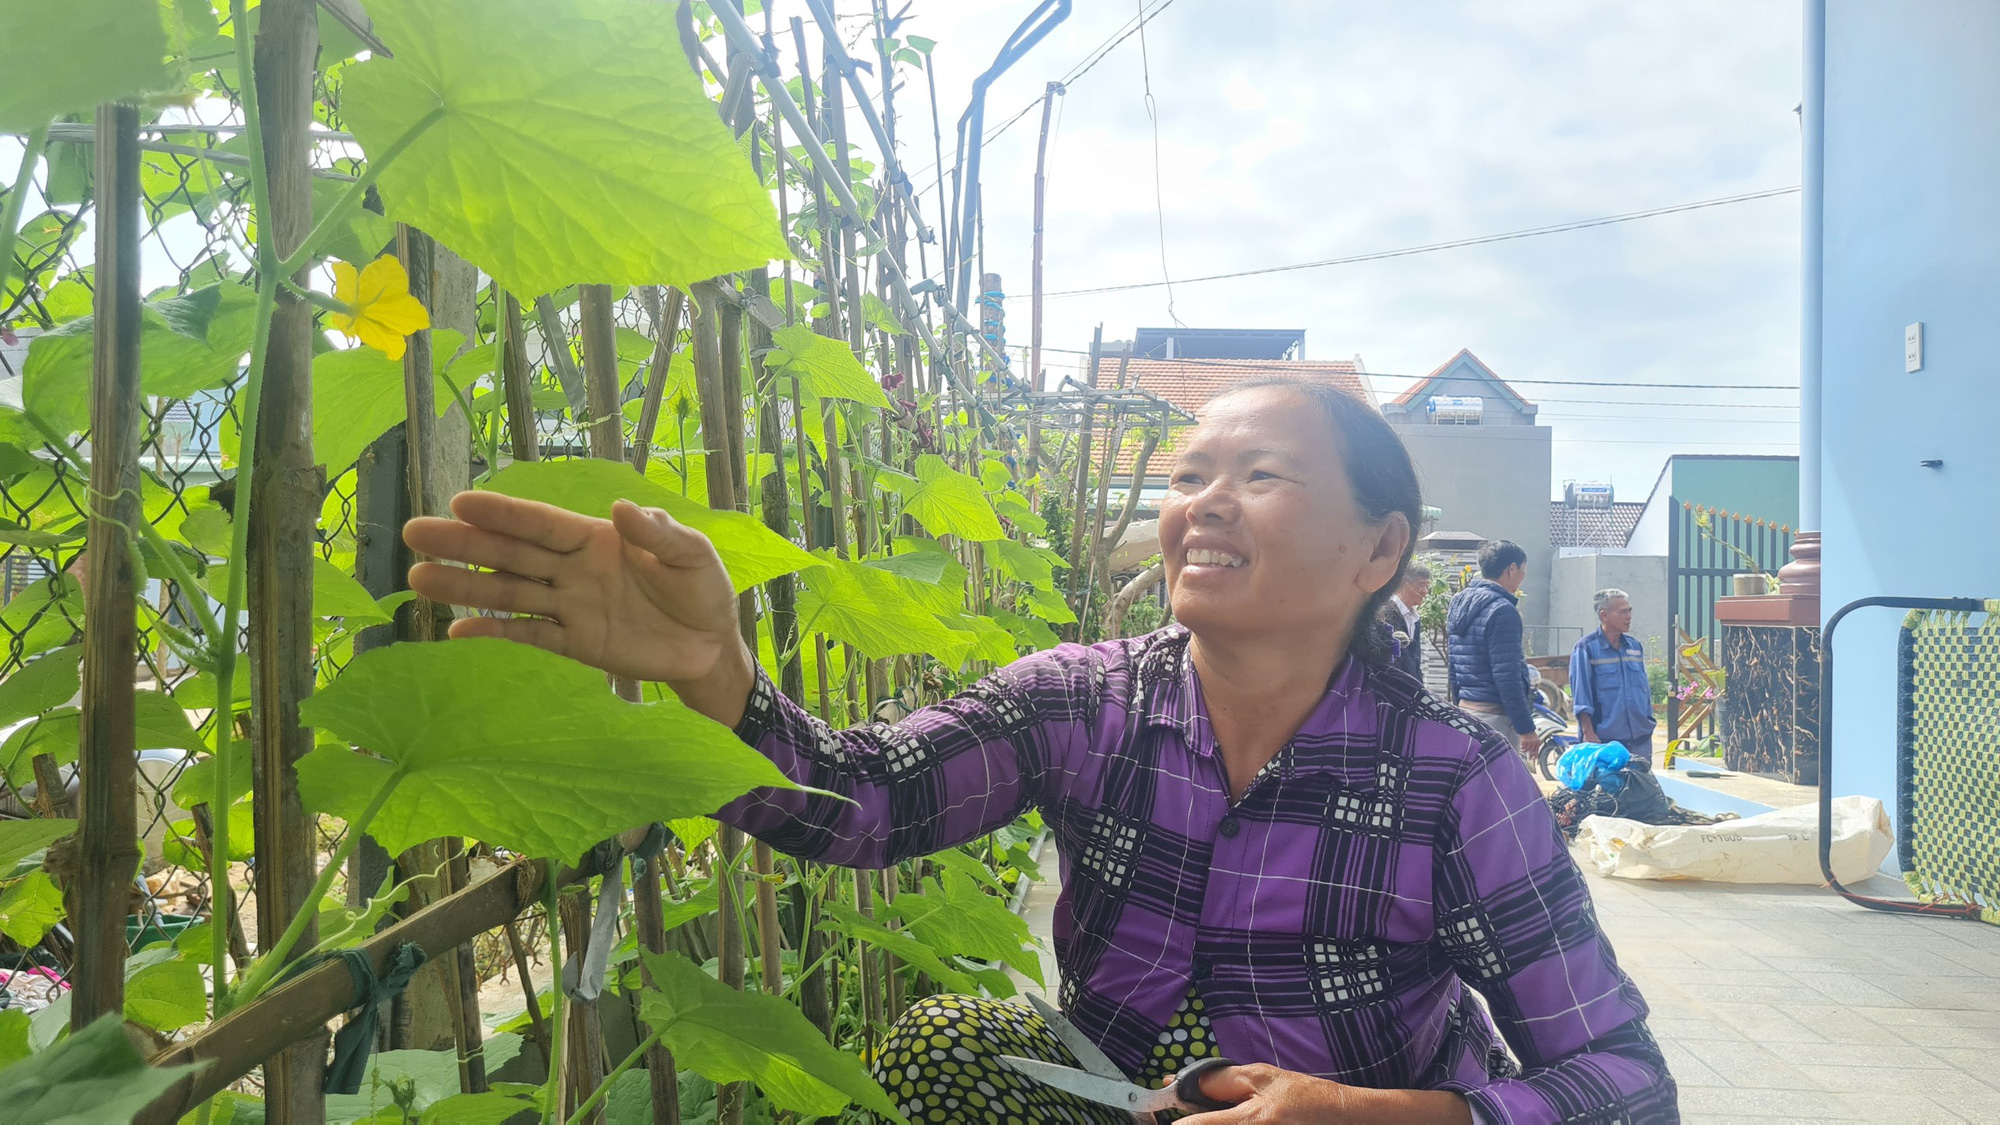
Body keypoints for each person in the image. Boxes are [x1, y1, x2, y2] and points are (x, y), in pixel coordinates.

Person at [403, 379, 1676, 1124]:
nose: (1201, 502)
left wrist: (1372, 1117)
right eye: (1188, 475)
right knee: (941, 1040)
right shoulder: (1086, 701)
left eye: (1260, 475)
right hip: (1129, 1099)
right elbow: (856, 805)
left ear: (1375, 553)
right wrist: (714, 673)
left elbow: (1620, 1084)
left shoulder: (1455, 778)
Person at [1446, 540, 1539, 759]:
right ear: (1512, 569)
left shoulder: (1459, 602)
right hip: (1496, 719)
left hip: (1466, 711)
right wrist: (1525, 728)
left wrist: (1457, 706)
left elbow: (1454, 665)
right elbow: (1507, 674)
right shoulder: (1503, 611)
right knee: (1501, 788)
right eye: (1523, 570)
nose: (1522, 577)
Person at [1569, 588, 1658, 764]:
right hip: (1604, 741)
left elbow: (1643, 690)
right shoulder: (1586, 648)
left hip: (1640, 739)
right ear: (1604, 615)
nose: (1629, 616)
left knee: (1640, 788)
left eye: (1629, 610)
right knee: (1607, 789)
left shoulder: (1634, 647)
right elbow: (1581, 695)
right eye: (1623, 611)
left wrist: (1648, 720)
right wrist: (1588, 732)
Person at [1382, 559, 1433, 682]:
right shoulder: (1386, 613)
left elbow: (1416, 661)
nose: (1425, 591)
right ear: (1405, 582)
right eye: (1421, 584)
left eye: (1427, 585)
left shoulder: (1415, 618)